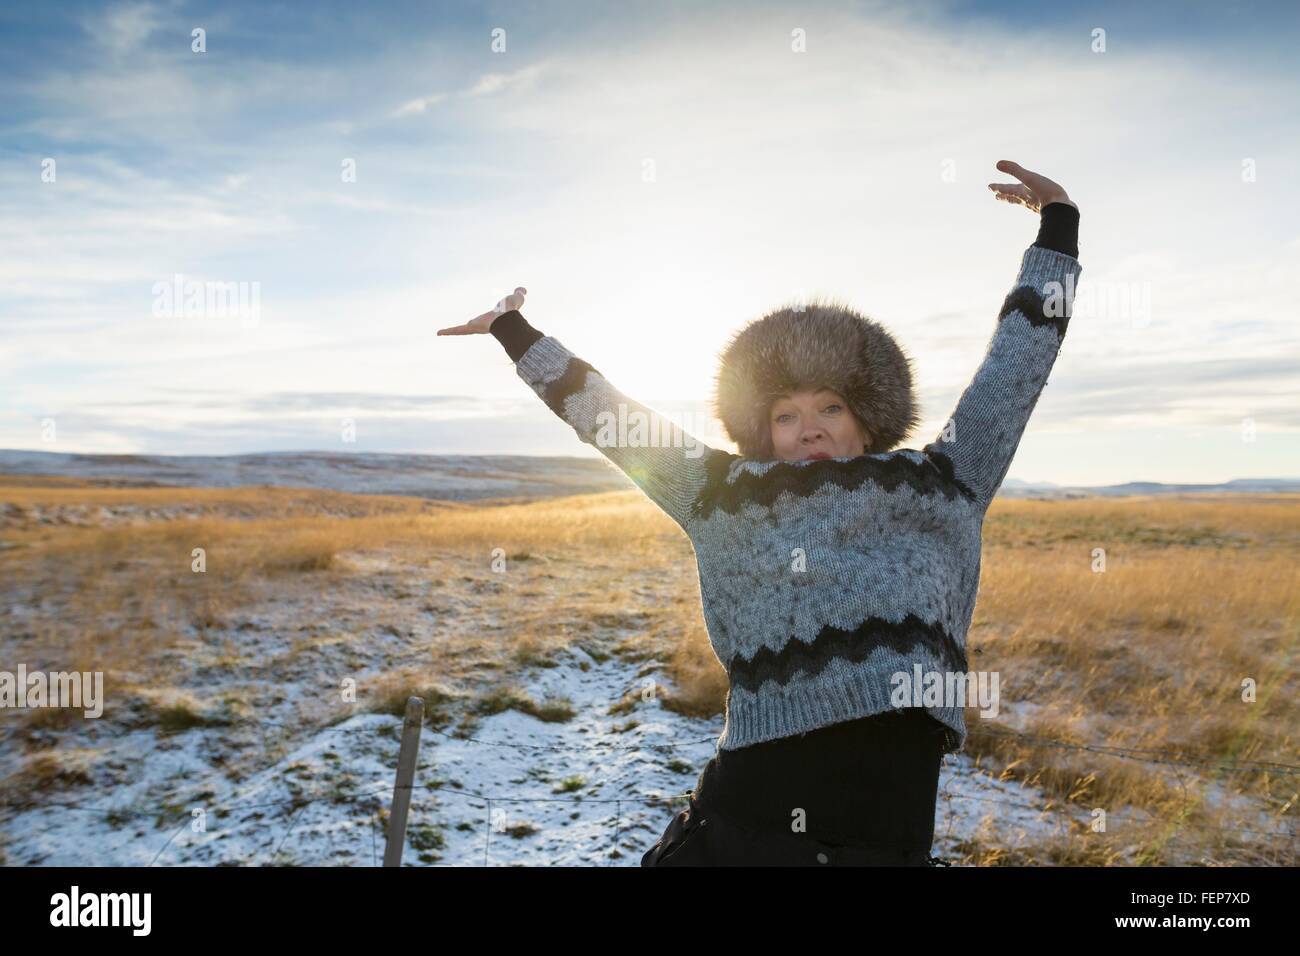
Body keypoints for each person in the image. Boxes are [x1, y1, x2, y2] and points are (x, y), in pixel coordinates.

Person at [438, 160, 1082, 866]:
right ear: (761, 431)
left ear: (867, 418)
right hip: (748, 833)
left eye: (830, 407)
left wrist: (1058, 229)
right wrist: (514, 332)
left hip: (887, 839)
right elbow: (614, 421)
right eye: (786, 415)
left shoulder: (943, 481)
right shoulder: (724, 494)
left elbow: (1014, 369)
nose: (809, 429)